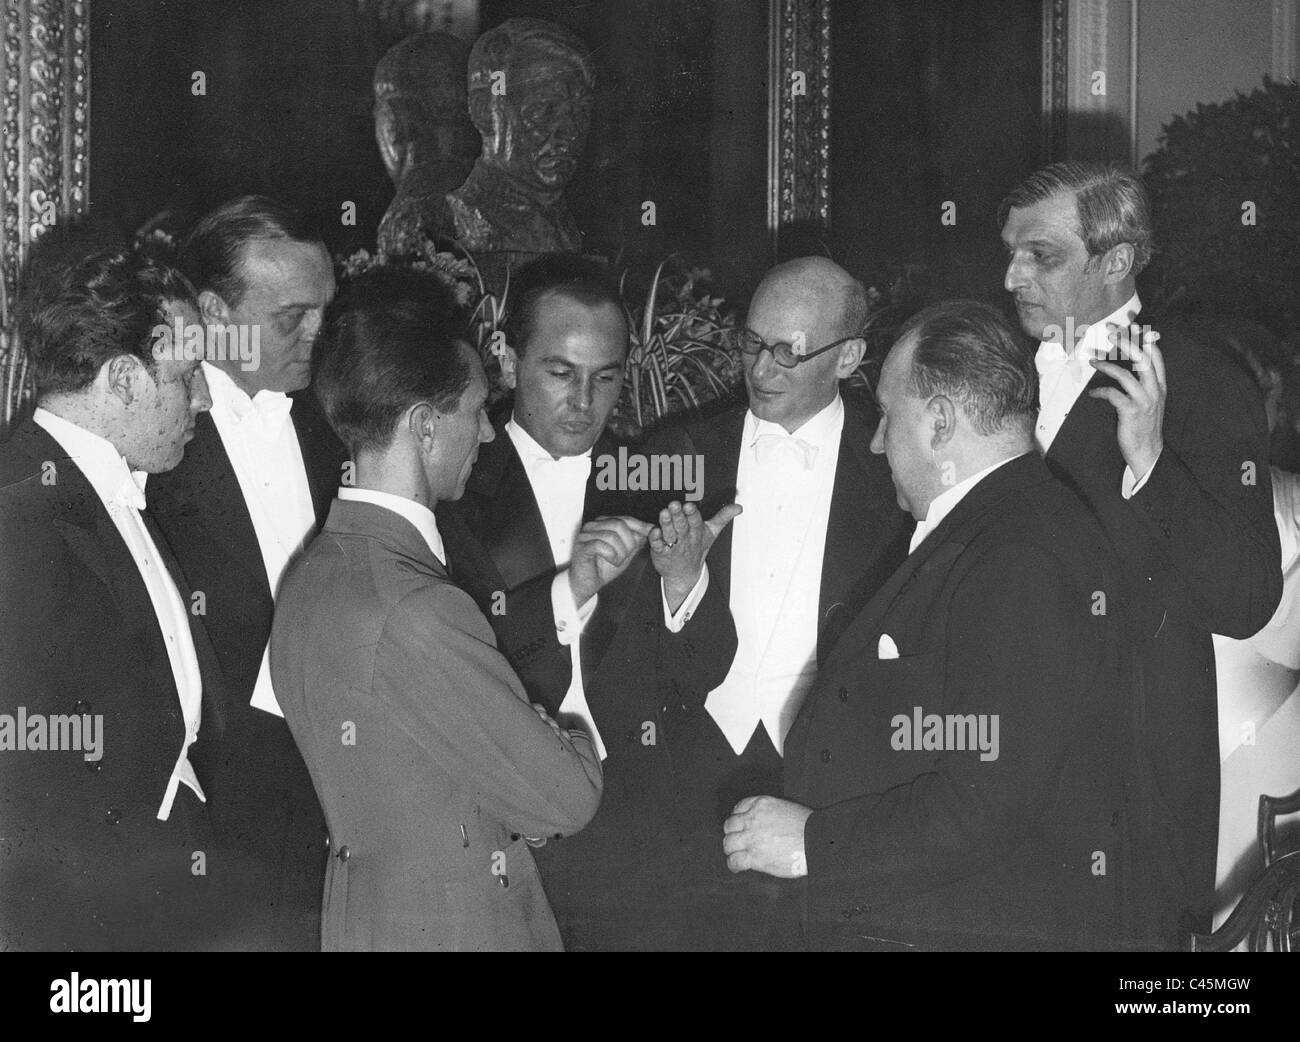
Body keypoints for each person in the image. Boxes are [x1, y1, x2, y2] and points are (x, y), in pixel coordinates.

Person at [729, 300, 1134, 950]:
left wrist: (811, 844)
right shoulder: (1005, 521)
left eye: (889, 416)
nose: (877, 440)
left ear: (941, 422)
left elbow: (988, 803)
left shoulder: (1019, 554)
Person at [271, 266, 605, 950]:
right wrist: (561, 740)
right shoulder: (418, 606)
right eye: (477, 411)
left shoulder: (311, 577)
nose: (486, 435)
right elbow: (569, 797)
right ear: (424, 425)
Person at [998, 162, 1281, 945]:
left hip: (1131, 789)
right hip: (993, 778)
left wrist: (1151, 462)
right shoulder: (997, 373)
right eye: (1012, 252)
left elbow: (1247, 595)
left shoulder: (1200, 377)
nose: (1012, 274)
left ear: (1116, 261)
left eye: (1041, 255)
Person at [438, 253, 738, 950]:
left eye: (606, 379)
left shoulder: (650, 481)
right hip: (504, 820)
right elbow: (453, 663)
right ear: (508, 363)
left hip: (639, 830)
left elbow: (699, 671)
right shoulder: (453, 486)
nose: (584, 402)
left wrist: (683, 582)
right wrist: (565, 591)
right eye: (562, 373)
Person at [650, 256, 913, 949]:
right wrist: (679, 587)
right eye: (750, 343)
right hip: (694, 775)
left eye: (789, 353)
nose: (760, 370)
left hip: (840, 786)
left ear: (850, 355)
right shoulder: (674, 454)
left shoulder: (898, 466)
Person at [0, 238, 237, 949]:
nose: (204, 397)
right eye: (190, 373)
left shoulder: (116, 491)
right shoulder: (16, 515)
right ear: (125, 380)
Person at [147, 195, 343, 950]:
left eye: (325, 310)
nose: (318, 335)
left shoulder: (334, 419)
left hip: (334, 784)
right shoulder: (159, 445)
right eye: (292, 316)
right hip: (214, 810)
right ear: (209, 312)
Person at [443, 17, 594, 254]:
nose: (571, 132)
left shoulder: (572, 225)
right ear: (485, 112)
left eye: (581, 112)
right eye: (544, 110)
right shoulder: (458, 219)